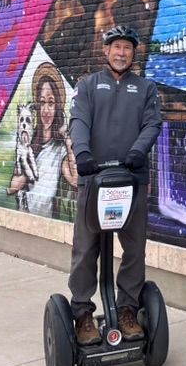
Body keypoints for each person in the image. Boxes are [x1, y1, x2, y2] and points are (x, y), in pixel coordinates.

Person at [68, 25, 162, 346]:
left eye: (127, 48)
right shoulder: (88, 85)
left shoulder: (146, 88)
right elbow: (79, 121)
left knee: (134, 248)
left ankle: (127, 309)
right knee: (86, 248)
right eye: (116, 47)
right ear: (106, 50)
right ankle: (82, 312)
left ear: (134, 53)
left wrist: (138, 151)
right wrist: (82, 153)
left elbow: (152, 123)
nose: (121, 53)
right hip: (94, 179)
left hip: (132, 179)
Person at [7, 62, 78, 218]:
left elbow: (75, 179)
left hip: (47, 220)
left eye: (51, 103)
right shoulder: (29, 144)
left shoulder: (60, 150)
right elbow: (13, 186)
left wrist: (67, 138)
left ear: (57, 106)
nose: (46, 110)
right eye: (42, 102)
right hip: (24, 218)